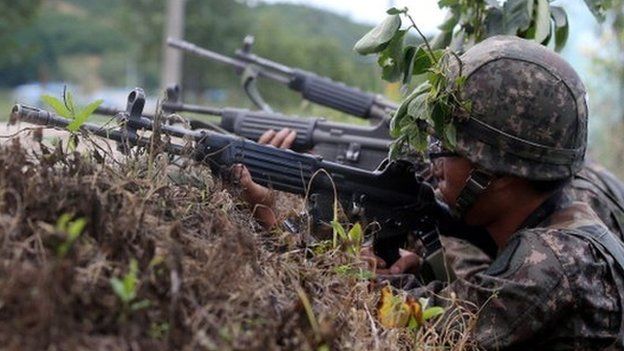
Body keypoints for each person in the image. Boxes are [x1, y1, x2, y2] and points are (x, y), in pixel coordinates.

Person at [236, 36, 624, 349]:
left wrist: (277, 226)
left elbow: (405, 324)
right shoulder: (564, 230)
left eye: (448, 147)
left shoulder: (551, 266)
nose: (432, 157)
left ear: (498, 174)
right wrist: (417, 268)